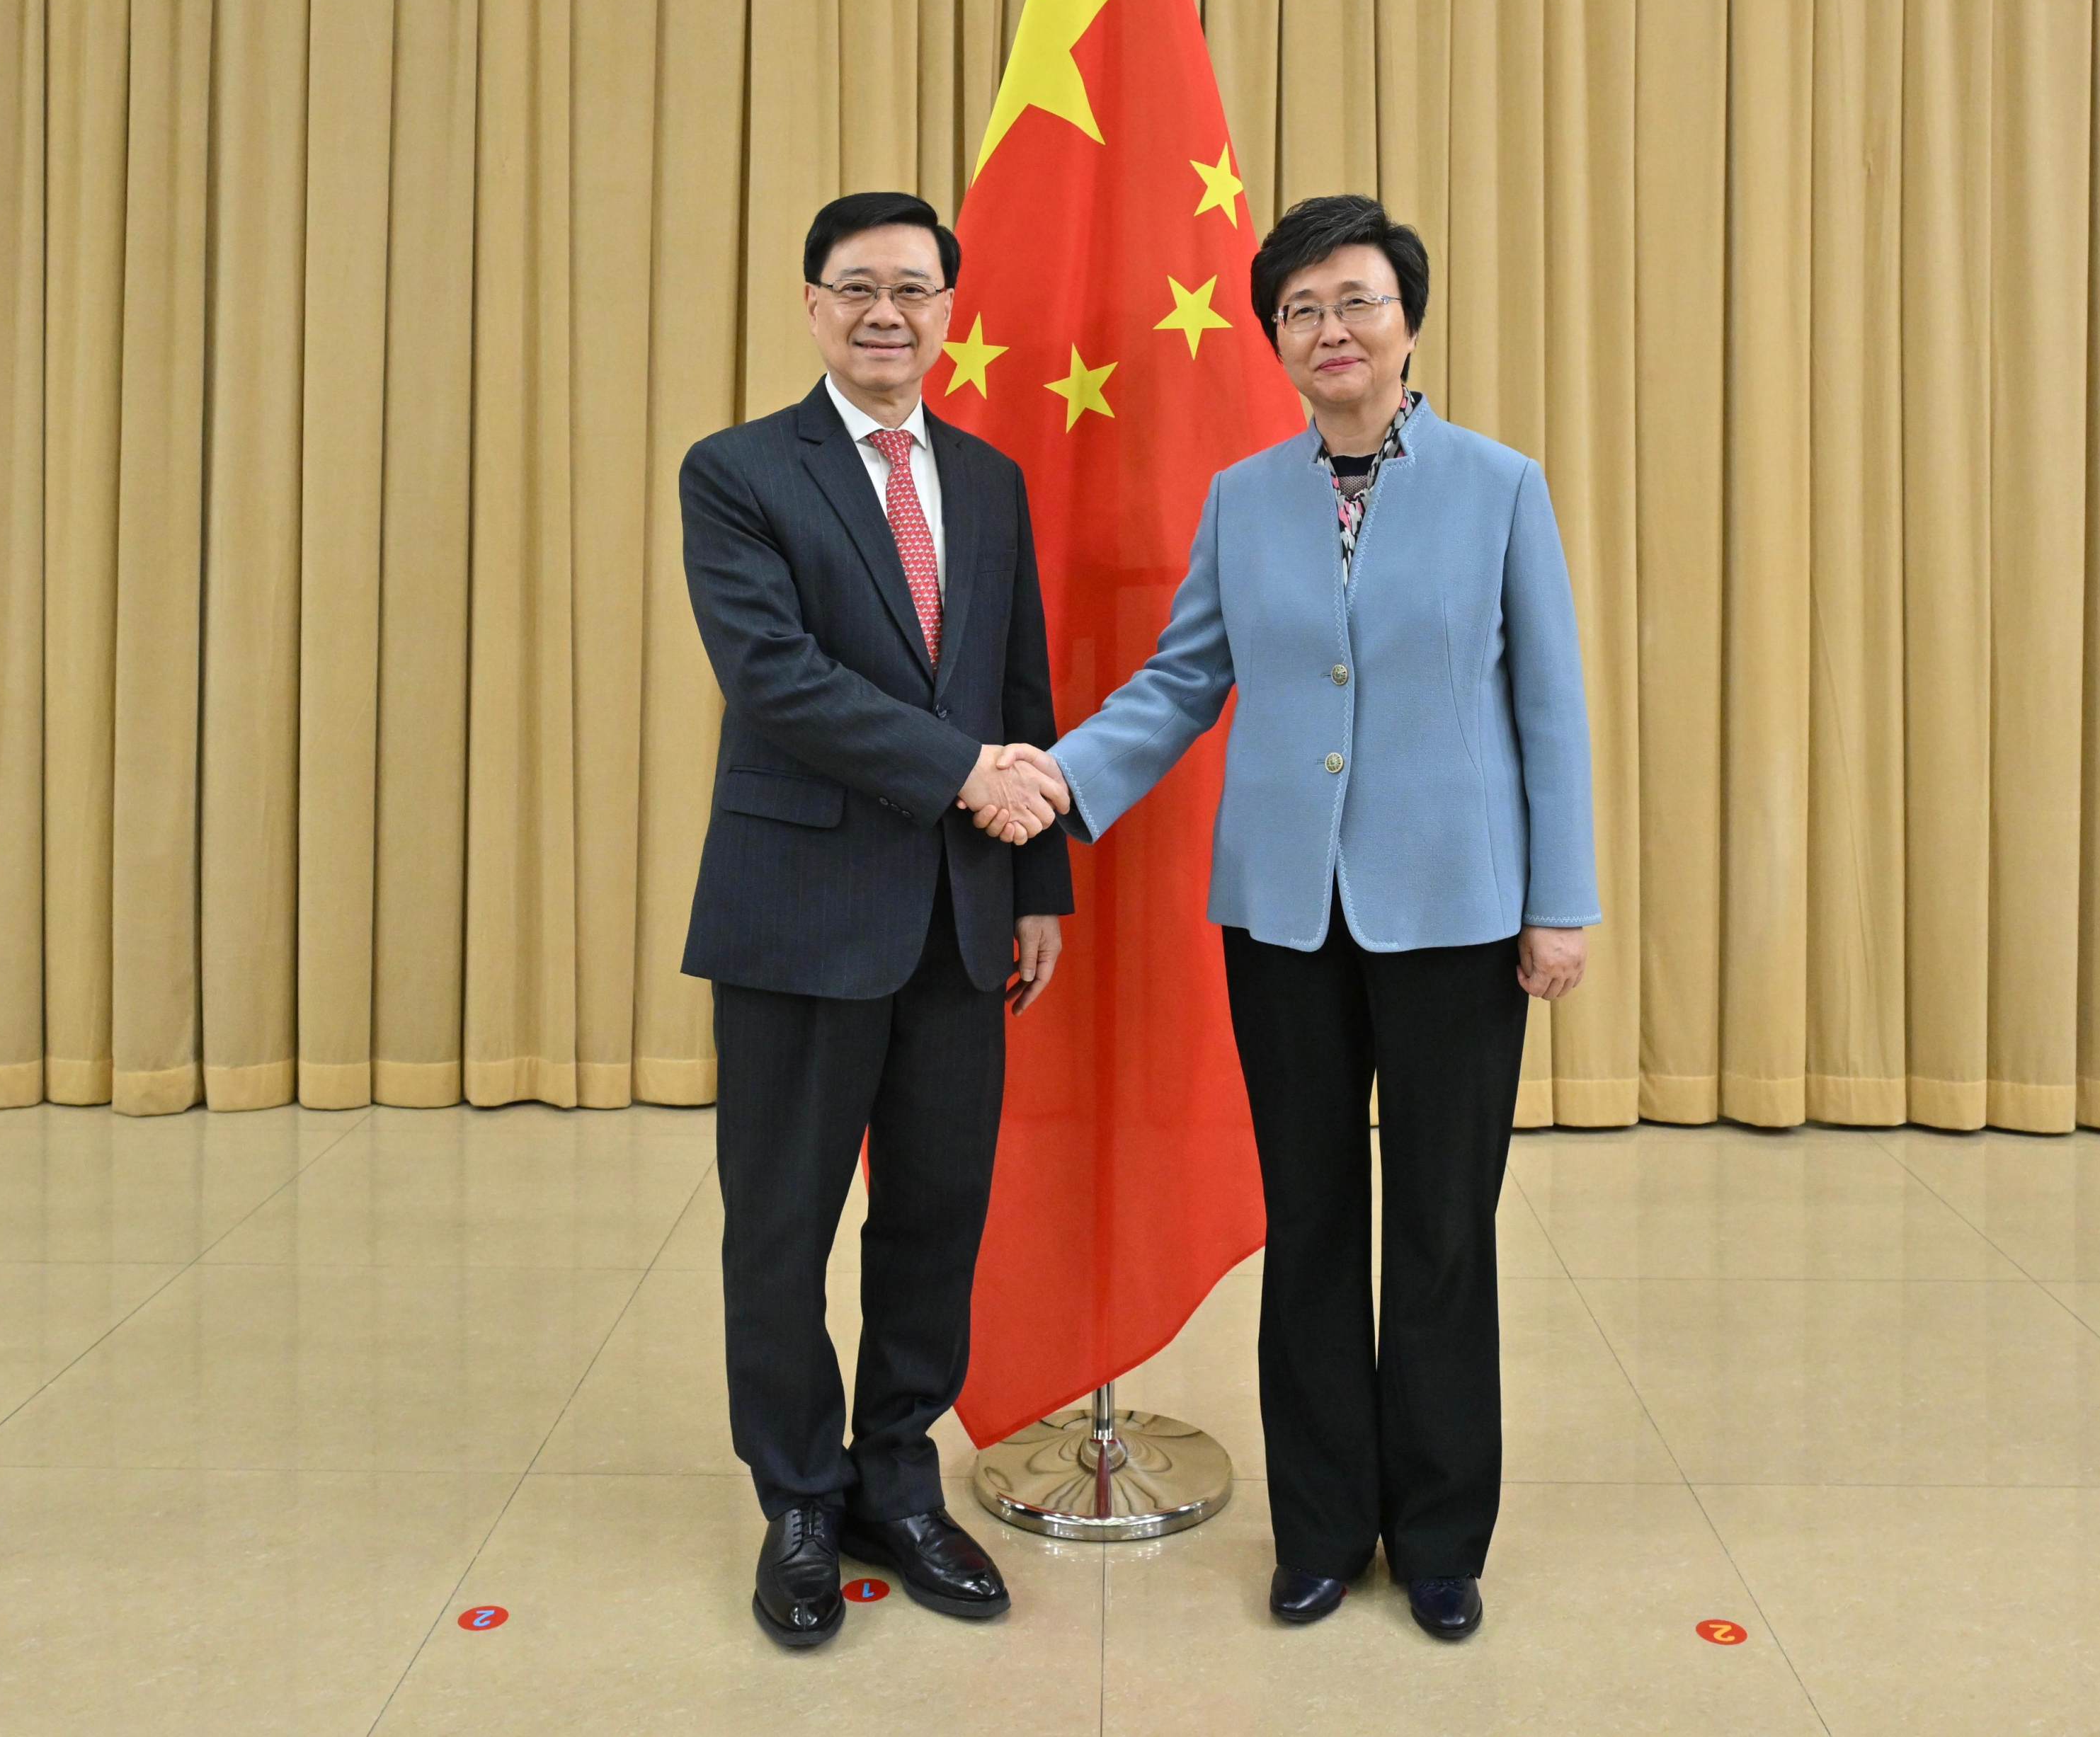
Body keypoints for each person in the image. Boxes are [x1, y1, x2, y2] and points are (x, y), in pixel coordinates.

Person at [974, 193, 1596, 1643]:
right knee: (1312, 1217)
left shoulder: (1499, 485)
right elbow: (1185, 679)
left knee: (1438, 1227)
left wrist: (1556, 902)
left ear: (1406, 321)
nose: (1331, 328)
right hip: (1282, 914)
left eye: (1356, 300)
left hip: (1455, 914)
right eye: (1302, 307)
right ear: (1274, 338)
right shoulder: (1242, 496)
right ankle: (1318, 1528)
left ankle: (1439, 1536)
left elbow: (1548, 707)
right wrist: (1056, 779)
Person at [678, 191, 1072, 1650]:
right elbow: (772, 675)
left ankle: (897, 1474)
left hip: (962, 920)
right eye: (856, 286)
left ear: (949, 310)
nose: (886, 311)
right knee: (778, 1223)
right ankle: (796, 1491)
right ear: (809, 304)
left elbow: (1018, 682)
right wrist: (962, 772)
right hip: (795, 913)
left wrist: (1037, 879)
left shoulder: (987, 476)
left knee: (933, 1214)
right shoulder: (735, 471)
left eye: (913, 286)